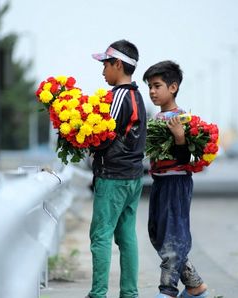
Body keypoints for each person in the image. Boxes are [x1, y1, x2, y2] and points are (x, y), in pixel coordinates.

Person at [142, 60, 209, 298]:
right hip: (160, 183)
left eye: (157, 85)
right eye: (149, 86)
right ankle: (195, 287)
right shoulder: (156, 119)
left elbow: (186, 159)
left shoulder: (183, 119)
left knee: (174, 238)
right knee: (157, 234)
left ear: (173, 87)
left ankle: (167, 291)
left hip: (176, 182)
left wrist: (180, 137)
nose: (152, 91)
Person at [86, 39, 147, 298]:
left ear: (118, 64)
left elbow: (101, 136)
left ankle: (98, 294)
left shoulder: (118, 96)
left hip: (113, 177)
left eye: (105, 65)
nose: (102, 72)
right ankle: (129, 294)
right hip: (133, 177)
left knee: (100, 236)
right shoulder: (137, 96)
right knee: (126, 237)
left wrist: (83, 138)